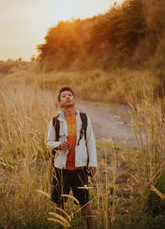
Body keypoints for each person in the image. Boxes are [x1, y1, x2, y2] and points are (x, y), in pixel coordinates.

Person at [46, 87, 97, 229]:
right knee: (60, 201)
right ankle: (61, 226)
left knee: (85, 201)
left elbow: (90, 141)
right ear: (60, 102)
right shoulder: (55, 121)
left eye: (70, 95)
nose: (67, 97)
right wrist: (58, 144)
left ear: (74, 99)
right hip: (61, 167)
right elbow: (48, 142)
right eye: (64, 96)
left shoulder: (84, 118)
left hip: (80, 167)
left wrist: (92, 163)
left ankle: (90, 226)